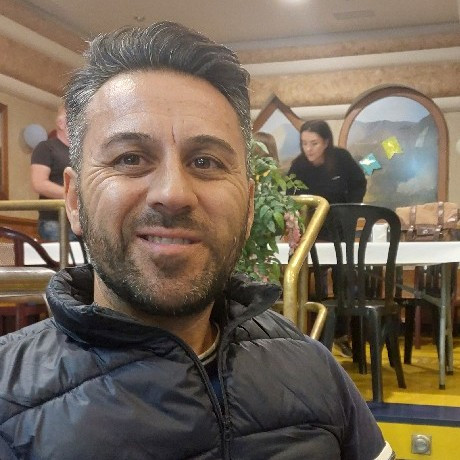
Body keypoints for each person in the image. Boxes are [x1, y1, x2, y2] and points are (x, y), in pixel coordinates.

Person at [0, 22, 393, 460]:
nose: (173, 194)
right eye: (130, 158)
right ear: (74, 201)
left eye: (205, 162)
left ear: (249, 205)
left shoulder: (316, 371)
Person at [288, 120, 367, 358]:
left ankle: (341, 334)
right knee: (314, 282)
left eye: (314, 143)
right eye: (304, 143)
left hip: (340, 231)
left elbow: (359, 183)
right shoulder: (299, 165)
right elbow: (289, 197)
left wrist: (349, 209)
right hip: (311, 234)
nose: (308, 149)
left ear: (326, 142)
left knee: (345, 278)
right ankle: (316, 335)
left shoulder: (341, 159)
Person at [30, 106, 77, 241]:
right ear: (61, 123)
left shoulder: (81, 153)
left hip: (79, 222)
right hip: (54, 222)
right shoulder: (46, 147)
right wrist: (73, 196)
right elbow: (39, 184)